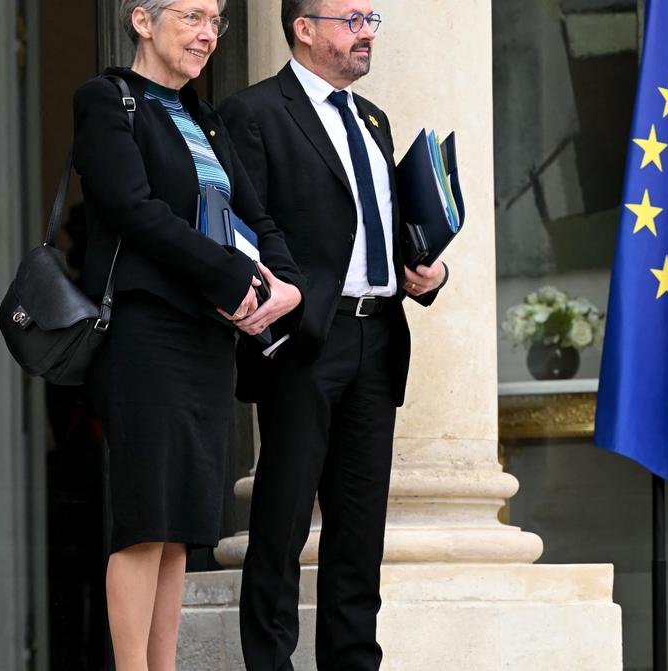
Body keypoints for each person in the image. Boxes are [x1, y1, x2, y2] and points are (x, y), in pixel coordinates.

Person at [218, 1, 450, 669]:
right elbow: (247, 228)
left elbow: (391, 224)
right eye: (352, 19)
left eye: (370, 19)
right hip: (304, 343)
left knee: (358, 532)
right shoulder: (255, 113)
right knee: (282, 524)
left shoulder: (372, 119)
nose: (366, 32)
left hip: (378, 340)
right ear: (304, 27)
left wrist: (427, 271)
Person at [73, 1, 303, 668]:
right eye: (193, 16)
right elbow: (133, 210)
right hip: (144, 337)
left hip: (206, 341)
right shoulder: (107, 99)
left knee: (180, 529)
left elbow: (258, 214)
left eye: (216, 21)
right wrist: (232, 276)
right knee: (145, 522)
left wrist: (286, 283)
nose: (208, 34)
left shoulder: (204, 115)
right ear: (142, 20)